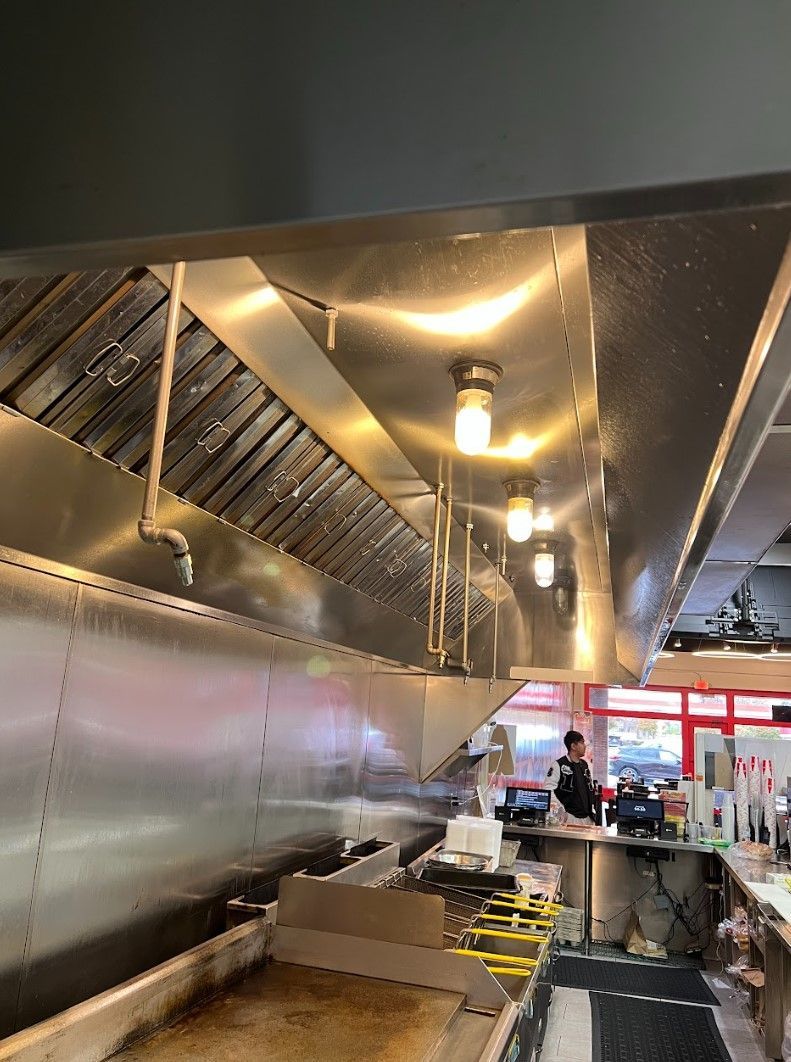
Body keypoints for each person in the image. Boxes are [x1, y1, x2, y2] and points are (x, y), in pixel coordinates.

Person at [546, 730, 597, 825]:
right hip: (570, 818)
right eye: (582, 742)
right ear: (573, 746)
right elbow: (549, 789)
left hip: (588, 818)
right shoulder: (559, 765)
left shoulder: (584, 765)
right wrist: (561, 810)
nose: (585, 746)